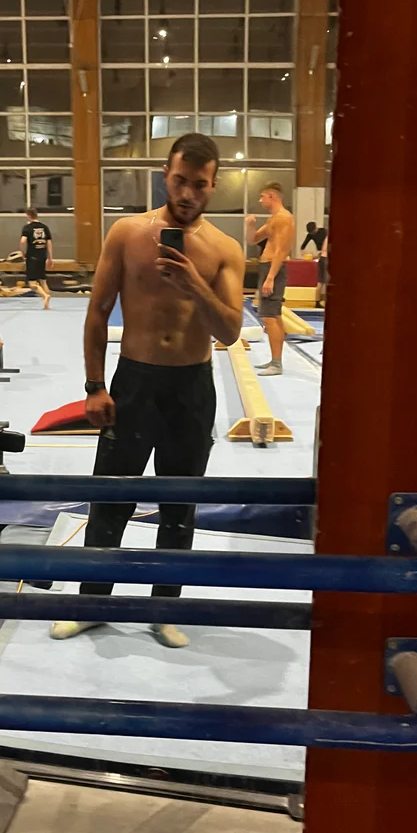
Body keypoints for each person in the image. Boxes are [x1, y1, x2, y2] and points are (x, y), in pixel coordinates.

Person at [50, 132, 245, 649]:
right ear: (165, 175)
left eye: (199, 185)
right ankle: (92, 604)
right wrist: (94, 386)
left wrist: (193, 284)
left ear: (213, 185)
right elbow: (97, 313)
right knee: (110, 498)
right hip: (134, 382)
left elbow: (229, 331)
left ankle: (164, 609)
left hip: (191, 388)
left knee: (179, 506)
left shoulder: (225, 249)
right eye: (180, 181)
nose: (188, 193)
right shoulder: (127, 233)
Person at [246, 182, 295, 376]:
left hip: (274, 269)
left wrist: (271, 278)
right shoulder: (274, 219)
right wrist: (250, 225)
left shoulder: (284, 218)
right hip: (269, 267)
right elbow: (253, 239)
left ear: (272, 196)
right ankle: (276, 360)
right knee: (274, 315)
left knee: (269, 316)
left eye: (262, 197)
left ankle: (276, 363)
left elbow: (281, 250)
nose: (260, 201)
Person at [19, 207, 54, 309]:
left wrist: (23, 252)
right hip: (42, 256)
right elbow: (49, 243)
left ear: (28, 215)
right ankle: (47, 305)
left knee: (32, 283)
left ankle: (45, 296)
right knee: (43, 280)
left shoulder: (27, 228)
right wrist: (50, 258)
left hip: (32, 257)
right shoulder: (45, 227)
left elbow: (22, 241)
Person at [301, 219, 329, 306]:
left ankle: (317, 301)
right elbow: (303, 246)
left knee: (320, 281)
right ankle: (320, 300)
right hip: (325, 257)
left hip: (322, 257)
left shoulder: (323, 231)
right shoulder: (325, 234)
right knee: (325, 281)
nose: (313, 234)